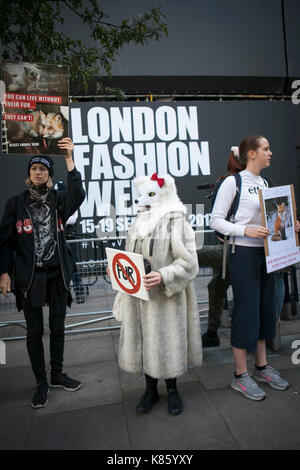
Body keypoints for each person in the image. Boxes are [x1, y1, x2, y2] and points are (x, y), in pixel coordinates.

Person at [210, 135, 299, 401]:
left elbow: (275, 222)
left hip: (269, 255)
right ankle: (240, 375)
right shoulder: (232, 182)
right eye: (265, 149)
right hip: (244, 254)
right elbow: (215, 220)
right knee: (246, 312)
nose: (270, 153)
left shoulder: (266, 183)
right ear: (251, 154)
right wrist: (244, 229)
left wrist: (291, 226)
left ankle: (261, 367)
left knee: (265, 311)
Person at [0, 138, 86, 408]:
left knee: (57, 326)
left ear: (49, 175)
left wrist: (69, 159)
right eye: (35, 168)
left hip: (55, 274)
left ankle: (57, 374)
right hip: (30, 277)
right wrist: (4, 272)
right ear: (29, 173)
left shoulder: (59, 200)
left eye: (44, 169)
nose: (39, 172)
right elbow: (4, 242)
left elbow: (78, 195)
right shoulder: (15, 204)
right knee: (34, 331)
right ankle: (41, 382)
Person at [109, 173, 202, 416]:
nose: (143, 201)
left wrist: (165, 275)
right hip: (140, 298)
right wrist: (119, 268)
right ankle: (150, 390)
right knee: (146, 341)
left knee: (167, 341)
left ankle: (172, 390)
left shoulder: (176, 221)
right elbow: (130, 256)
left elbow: (190, 263)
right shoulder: (139, 221)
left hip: (166, 300)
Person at [199, 148, 245, 347]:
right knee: (216, 286)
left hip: (238, 249)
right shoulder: (232, 182)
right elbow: (218, 219)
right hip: (233, 247)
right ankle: (211, 334)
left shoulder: (239, 182)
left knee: (195, 254)